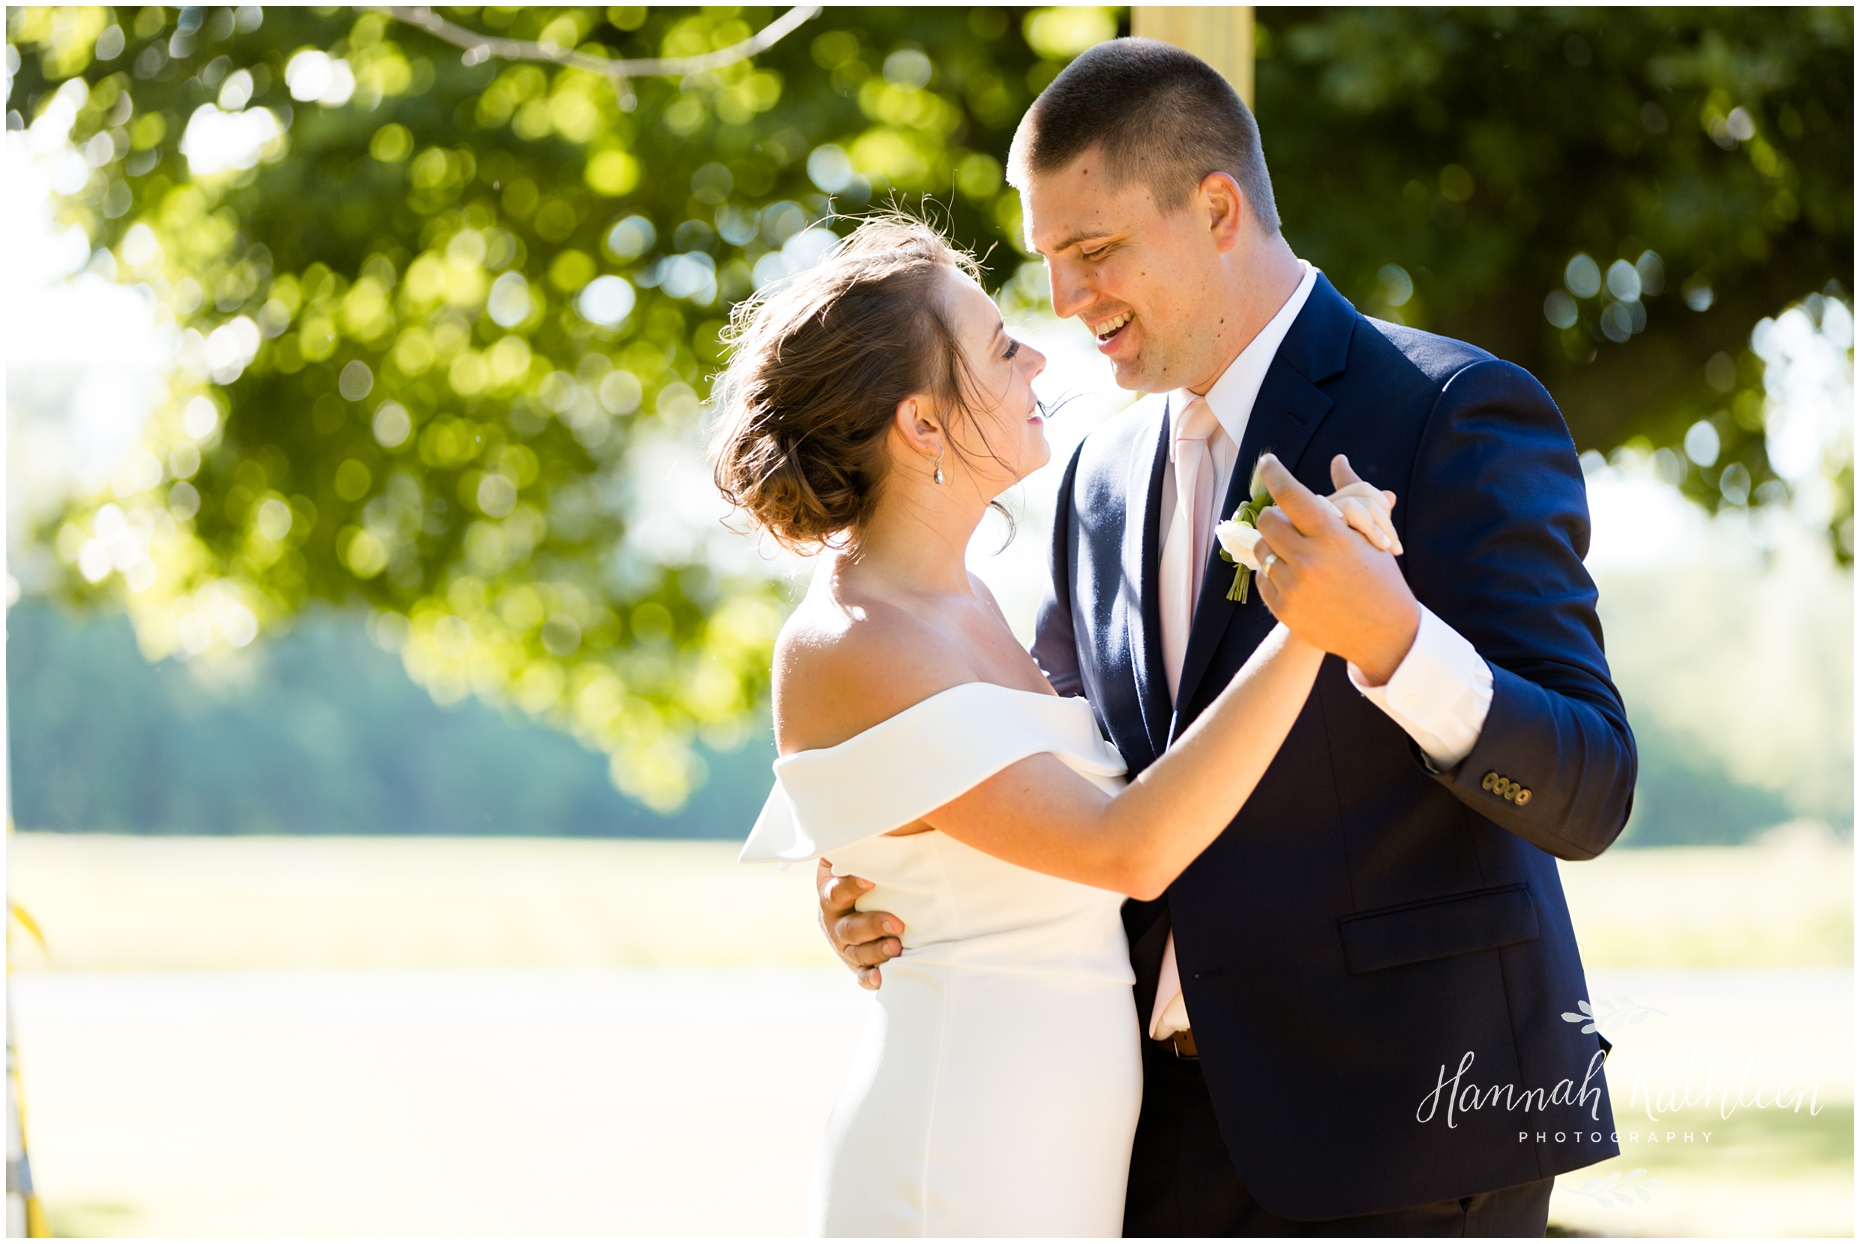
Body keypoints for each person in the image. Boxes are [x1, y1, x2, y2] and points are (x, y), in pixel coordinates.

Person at [818, 39, 1638, 1237]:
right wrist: (904, 865)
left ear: (1216, 209)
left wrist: (1398, 643)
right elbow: (1056, 755)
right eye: (1048, 259)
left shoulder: (1450, 411)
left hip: (1409, 1130)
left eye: (1093, 250)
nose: (1066, 299)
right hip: (1143, 1136)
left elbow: (1593, 786)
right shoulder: (1096, 469)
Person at [713, 216, 1403, 1236]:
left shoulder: (975, 604)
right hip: (961, 1147)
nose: (1039, 350)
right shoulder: (852, 637)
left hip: (1057, 1142)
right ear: (923, 423)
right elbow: (1126, 848)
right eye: (997, 345)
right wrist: (1316, 619)